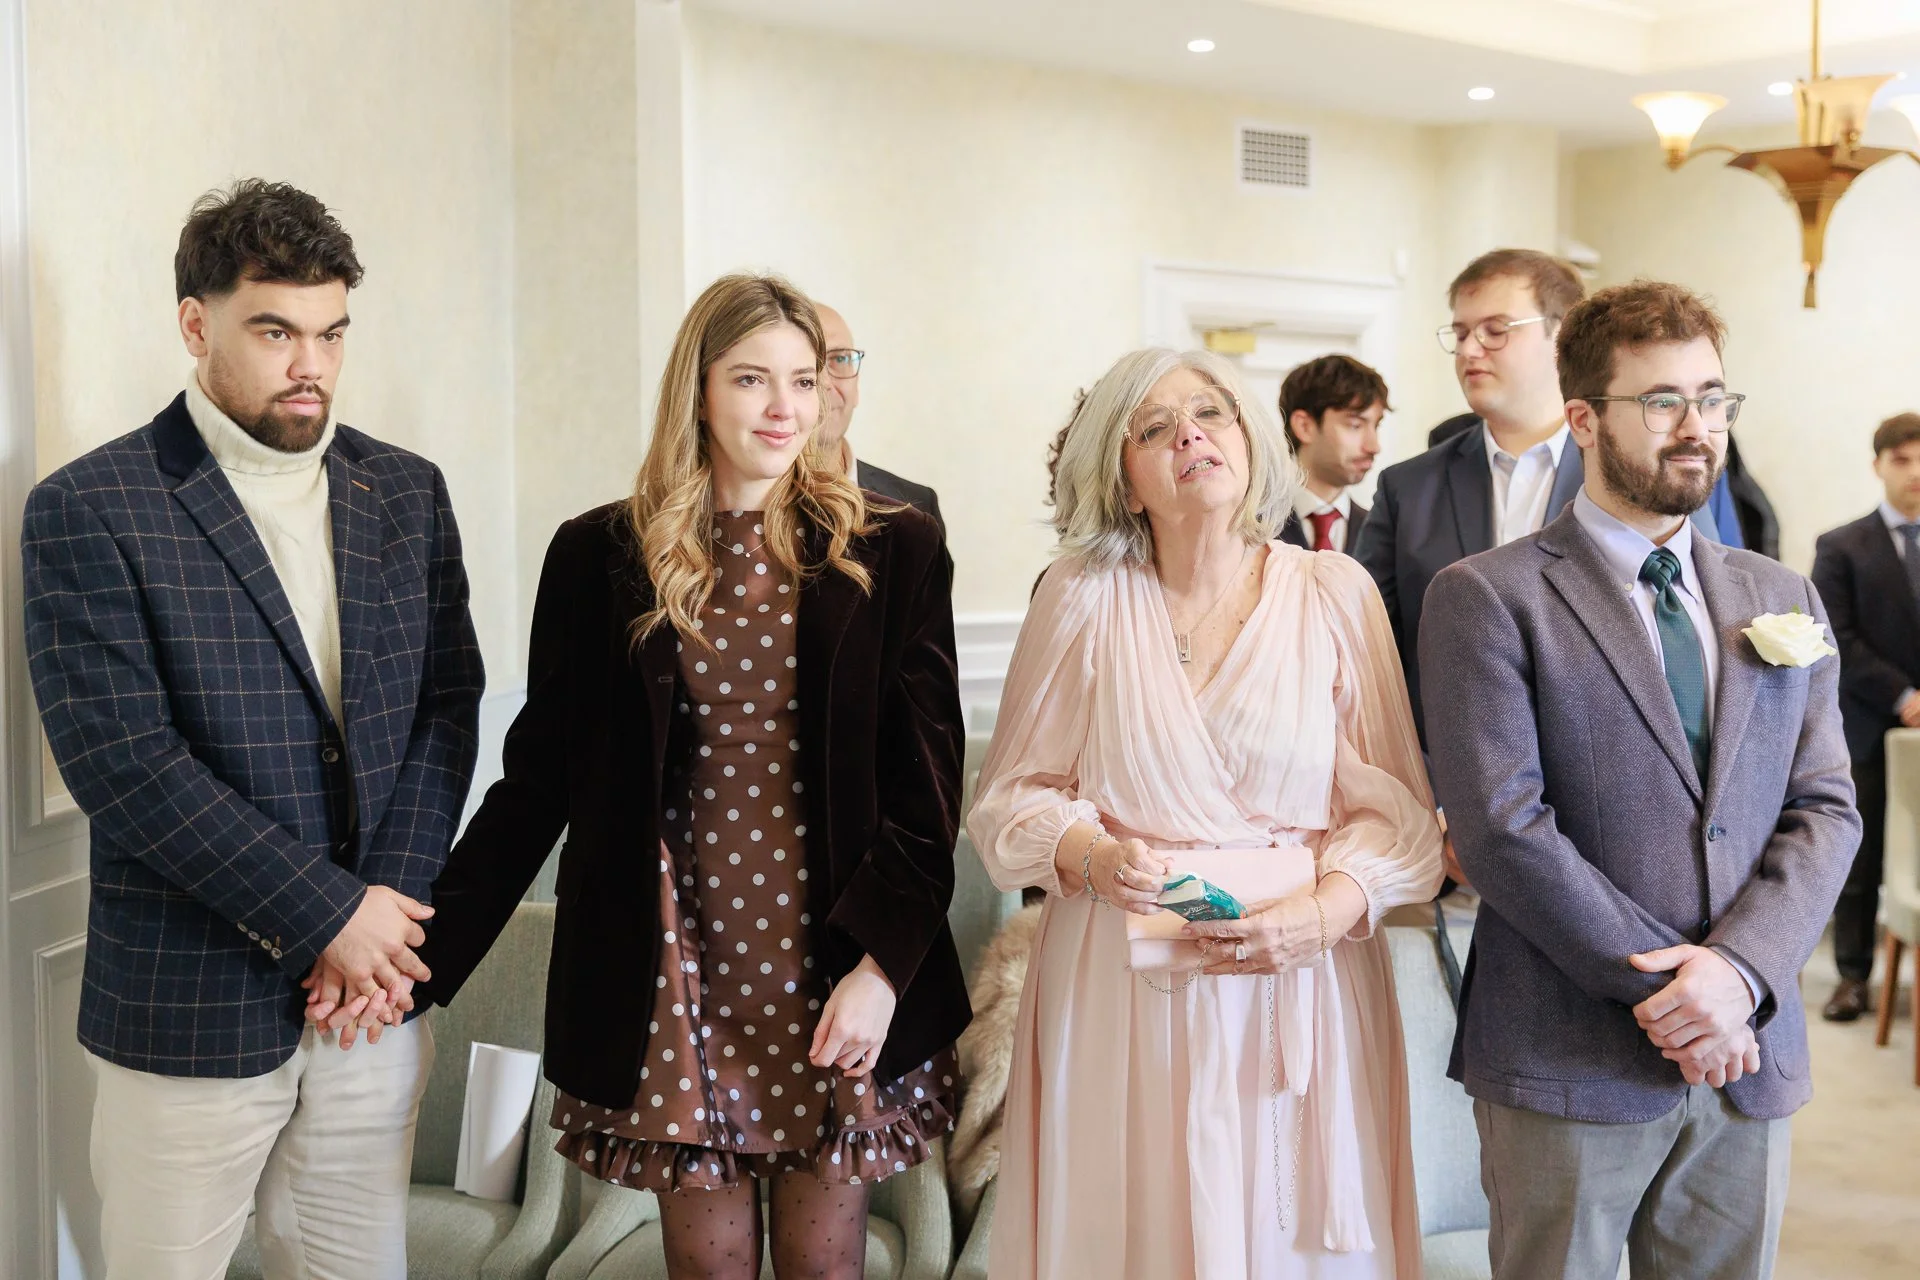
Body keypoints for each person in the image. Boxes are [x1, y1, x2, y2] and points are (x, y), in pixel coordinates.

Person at [402, 275, 969, 1278]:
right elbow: (536, 785)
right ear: (697, 390)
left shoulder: (894, 547)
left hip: (835, 963)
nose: (785, 406)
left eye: (804, 379)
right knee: (707, 1269)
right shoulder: (598, 554)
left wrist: (883, 971)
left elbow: (927, 797)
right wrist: (413, 962)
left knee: (826, 1265)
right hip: (674, 964)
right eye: (752, 378)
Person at [18, 179, 485, 1278]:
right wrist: (332, 916)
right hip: (188, 1009)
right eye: (276, 332)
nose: (310, 364)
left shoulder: (405, 490)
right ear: (197, 324)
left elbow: (445, 706)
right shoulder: (90, 506)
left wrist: (380, 921)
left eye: (331, 333)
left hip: (369, 1009)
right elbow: (126, 766)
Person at [969, 346, 1444, 1278]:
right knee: (1130, 1232)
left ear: (1251, 440)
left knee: (1287, 1236)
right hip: (1121, 977)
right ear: (1122, 478)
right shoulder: (1080, 598)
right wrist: (1093, 856)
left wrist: (1322, 916)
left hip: (1301, 976)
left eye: (1210, 413)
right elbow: (1010, 797)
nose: (1190, 434)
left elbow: (1396, 815)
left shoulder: (1335, 593)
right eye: (1155, 427)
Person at [1421, 281, 1857, 1279]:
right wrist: (1679, 997)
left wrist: (1738, 975)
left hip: (1747, 1050)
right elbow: (1502, 827)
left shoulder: (1780, 592)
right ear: (1583, 420)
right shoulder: (1487, 596)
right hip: (1568, 1050)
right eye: (1662, 401)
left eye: (1712, 398)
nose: (1697, 427)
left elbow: (1824, 807)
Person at [1356, 248, 1732, 745]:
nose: (1470, 350)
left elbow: (1704, 619)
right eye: (1461, 333)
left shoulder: (1648, 471)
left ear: (1560, 335)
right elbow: (1367, 658)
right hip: (1440, 771)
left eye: (1495, 330)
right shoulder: (1408, 488)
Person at [1810, 412, 1920, 1021]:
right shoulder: (1842, 545)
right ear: (1878, 465)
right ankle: (1853, 977)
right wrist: (1904, 696)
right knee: (1860, 853)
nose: (1915, 472)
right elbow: (1836, 638)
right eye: (1902, 460)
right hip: (1869, 726)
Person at [815, 302, 945, 532]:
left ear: (856, 385)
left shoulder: (917, 508)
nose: (825, 382)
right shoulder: (747, 505)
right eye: (807, 364)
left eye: (840, 359)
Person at [1275, 353, 1385, 553]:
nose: (1374, 446)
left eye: (1376, 426)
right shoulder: (1251, 527)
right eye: (1355, 425)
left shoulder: (1383, 535)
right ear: (1304, 426)